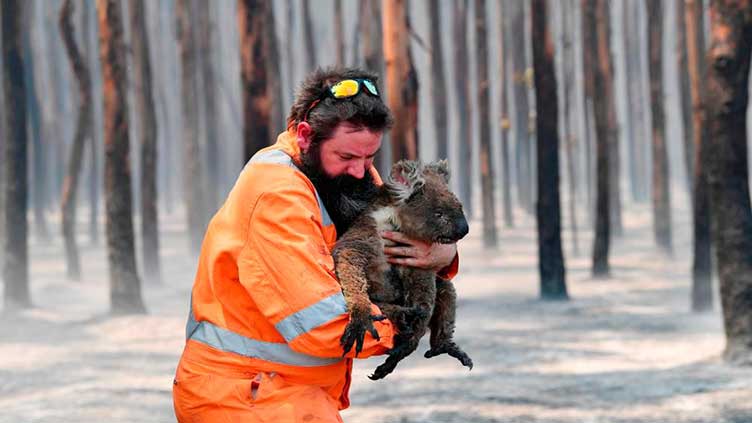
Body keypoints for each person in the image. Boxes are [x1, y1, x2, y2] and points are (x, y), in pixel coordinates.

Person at [172, 67, 460, 422]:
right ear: (306, 136)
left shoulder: (342, 176)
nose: (363, 171)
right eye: (348, 158)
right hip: (243, 399)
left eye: (371, 157)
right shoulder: (277, 196)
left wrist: (443, 255)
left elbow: (395, 240)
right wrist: (408, 321)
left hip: (290, 393)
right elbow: (323, 325)